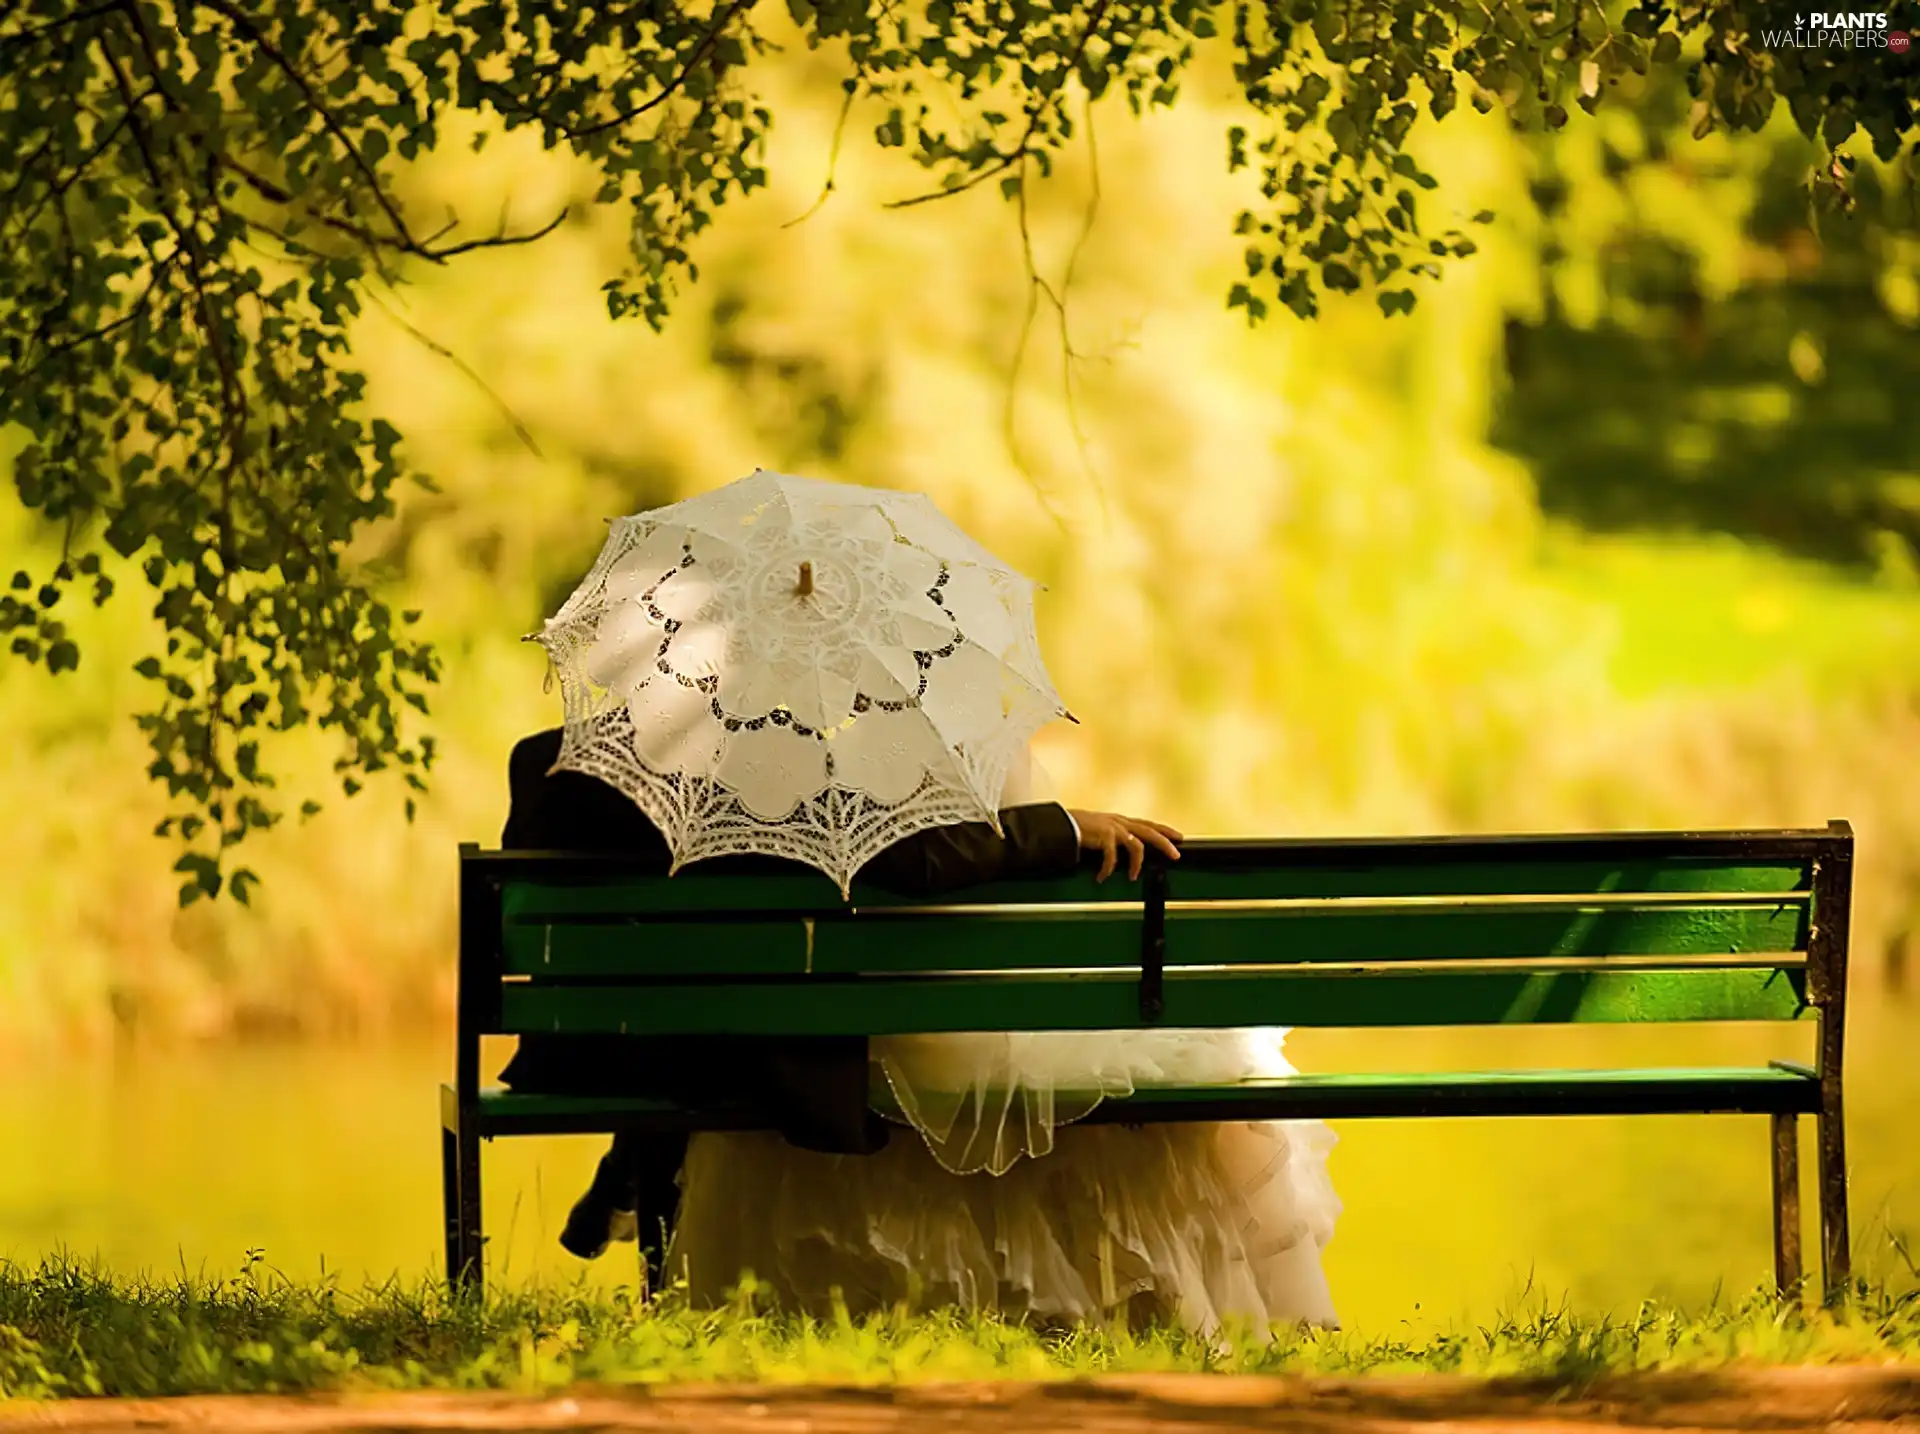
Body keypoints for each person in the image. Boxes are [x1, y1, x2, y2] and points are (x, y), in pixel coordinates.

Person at [658, 754, 1343, 1336]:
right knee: (1211, 1057)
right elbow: (919, 857)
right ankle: (1170, 1315)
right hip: (902, 1036)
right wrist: (1067, 828)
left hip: (804, 1045)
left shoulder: (724, 747)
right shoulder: (915, 714)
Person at [495, 726, 1181, 1279]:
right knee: (742, 996)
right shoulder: (784, 762)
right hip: (758, 1047)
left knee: (689, 991)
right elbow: (920, 860)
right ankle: (627, 1174)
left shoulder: (544, 763)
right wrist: (1063, 828)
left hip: (594, 1049)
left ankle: (626, 1171)